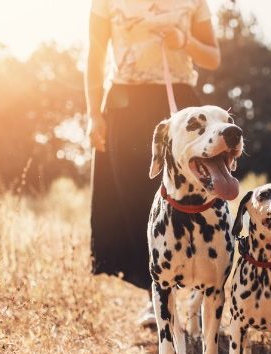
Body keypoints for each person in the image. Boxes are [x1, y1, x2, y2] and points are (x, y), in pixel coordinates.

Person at [85, 0, 220, 326]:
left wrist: (184, 41)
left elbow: (213, 58)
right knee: (135, 201)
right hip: (124, 104)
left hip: (181, 106)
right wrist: (92, 114)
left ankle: (204, 290)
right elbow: (95, 53)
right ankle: (156, 295)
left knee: (194, 198)